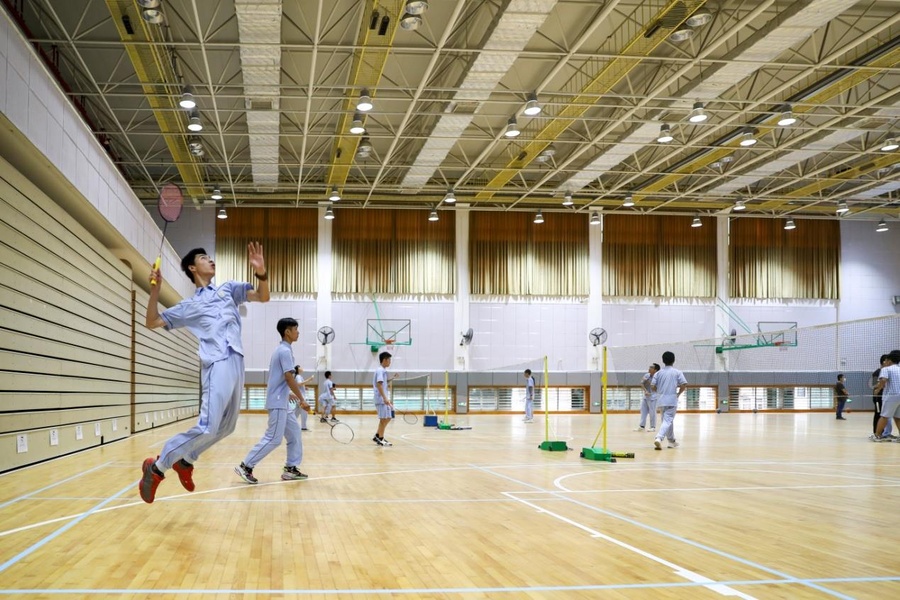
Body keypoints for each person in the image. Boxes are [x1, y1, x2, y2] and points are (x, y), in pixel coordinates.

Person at [139, 243, 269, 503]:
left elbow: (262, 297)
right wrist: (155, 291)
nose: (211, 260)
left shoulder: (228, 289)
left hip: (237, 359)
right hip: (217, 361)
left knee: (228, 427)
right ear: (192, 267)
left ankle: (186, 461)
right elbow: (152, 321)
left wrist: (261, 273)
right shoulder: (189, 306)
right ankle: (157, 468)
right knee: (208, 427)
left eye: (210, 257)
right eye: (203, 257)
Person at [235, 318, 310, 483]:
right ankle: (245, 466)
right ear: (287, 332)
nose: (298, 332)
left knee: (295, 433)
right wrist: (302, 399)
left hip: (282, 401)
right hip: (277, 403)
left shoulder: (283, 350)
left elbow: (280, 379)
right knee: (274, 438)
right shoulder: (284, 351)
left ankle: (291, 469)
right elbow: (289, 377)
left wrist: (288, 394)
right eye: (295, 329)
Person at [651, 351, 687, 451]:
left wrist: (659, 392)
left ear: (663, 360)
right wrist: (678, 393)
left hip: (661, 400)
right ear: (673, 360)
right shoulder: (677, 372)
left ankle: (671, 441)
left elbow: (652, 386)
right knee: (668, 420)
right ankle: (659, 437)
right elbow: (683, 384)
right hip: (671, 400)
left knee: (667, 421)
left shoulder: (658, 373)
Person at [871, 349, 900, 442]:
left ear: (889, 361)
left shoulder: (886, 369)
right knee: (898, 417)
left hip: (891, 396)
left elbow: (883, 380)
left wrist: (877, 390)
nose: (885, 362)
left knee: (884, 416)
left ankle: (877, 435)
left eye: (886, 360)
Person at [373, 351, 396, 446]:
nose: (390, 362)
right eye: (389, 360)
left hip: (383, 399)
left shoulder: (383, 371)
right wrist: (385, 398)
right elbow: (379, 385)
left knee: (388, 417)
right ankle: (381, 438)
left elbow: (384, 382)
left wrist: (392, 378)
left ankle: (377, 436)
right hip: (381, 399)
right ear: (384, 360)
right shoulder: (380, 371)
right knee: (384, 419)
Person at [870, 355, 893, 438]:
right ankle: (876, 433)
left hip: (885, 396)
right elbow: (874, 385)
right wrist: (881, 384)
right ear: (884, 361)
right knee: (878, 414)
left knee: (885, 415)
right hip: (878, 397)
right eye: (888, 361)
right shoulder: (877, 372)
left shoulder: (886, 371)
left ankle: (885, 433)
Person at [634, 363, 660, 432]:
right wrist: (645, 391)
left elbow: (656, 388)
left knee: (652, 412)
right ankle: (642, 426)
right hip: (646, 396)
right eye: (649, 367)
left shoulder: (658, 377)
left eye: (651, 367)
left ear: (655, 370)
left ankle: (652, 427)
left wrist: (648, 381)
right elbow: (641, 383)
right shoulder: (646, 375)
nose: (649, 368)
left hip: (653, 397)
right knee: (643, 411)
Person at [290, 366, 314, 431]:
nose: (302, 368)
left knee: (296, 412)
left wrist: (304, 387)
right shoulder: (298, 376)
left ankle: (289, 424)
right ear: (298, 369)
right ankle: (303, 427)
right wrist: (309, 379)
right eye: (300, 367)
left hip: (299, 397)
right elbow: (299, 384)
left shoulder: (298, 376)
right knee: (304, 412)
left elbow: (298, 385)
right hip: (301, 397)